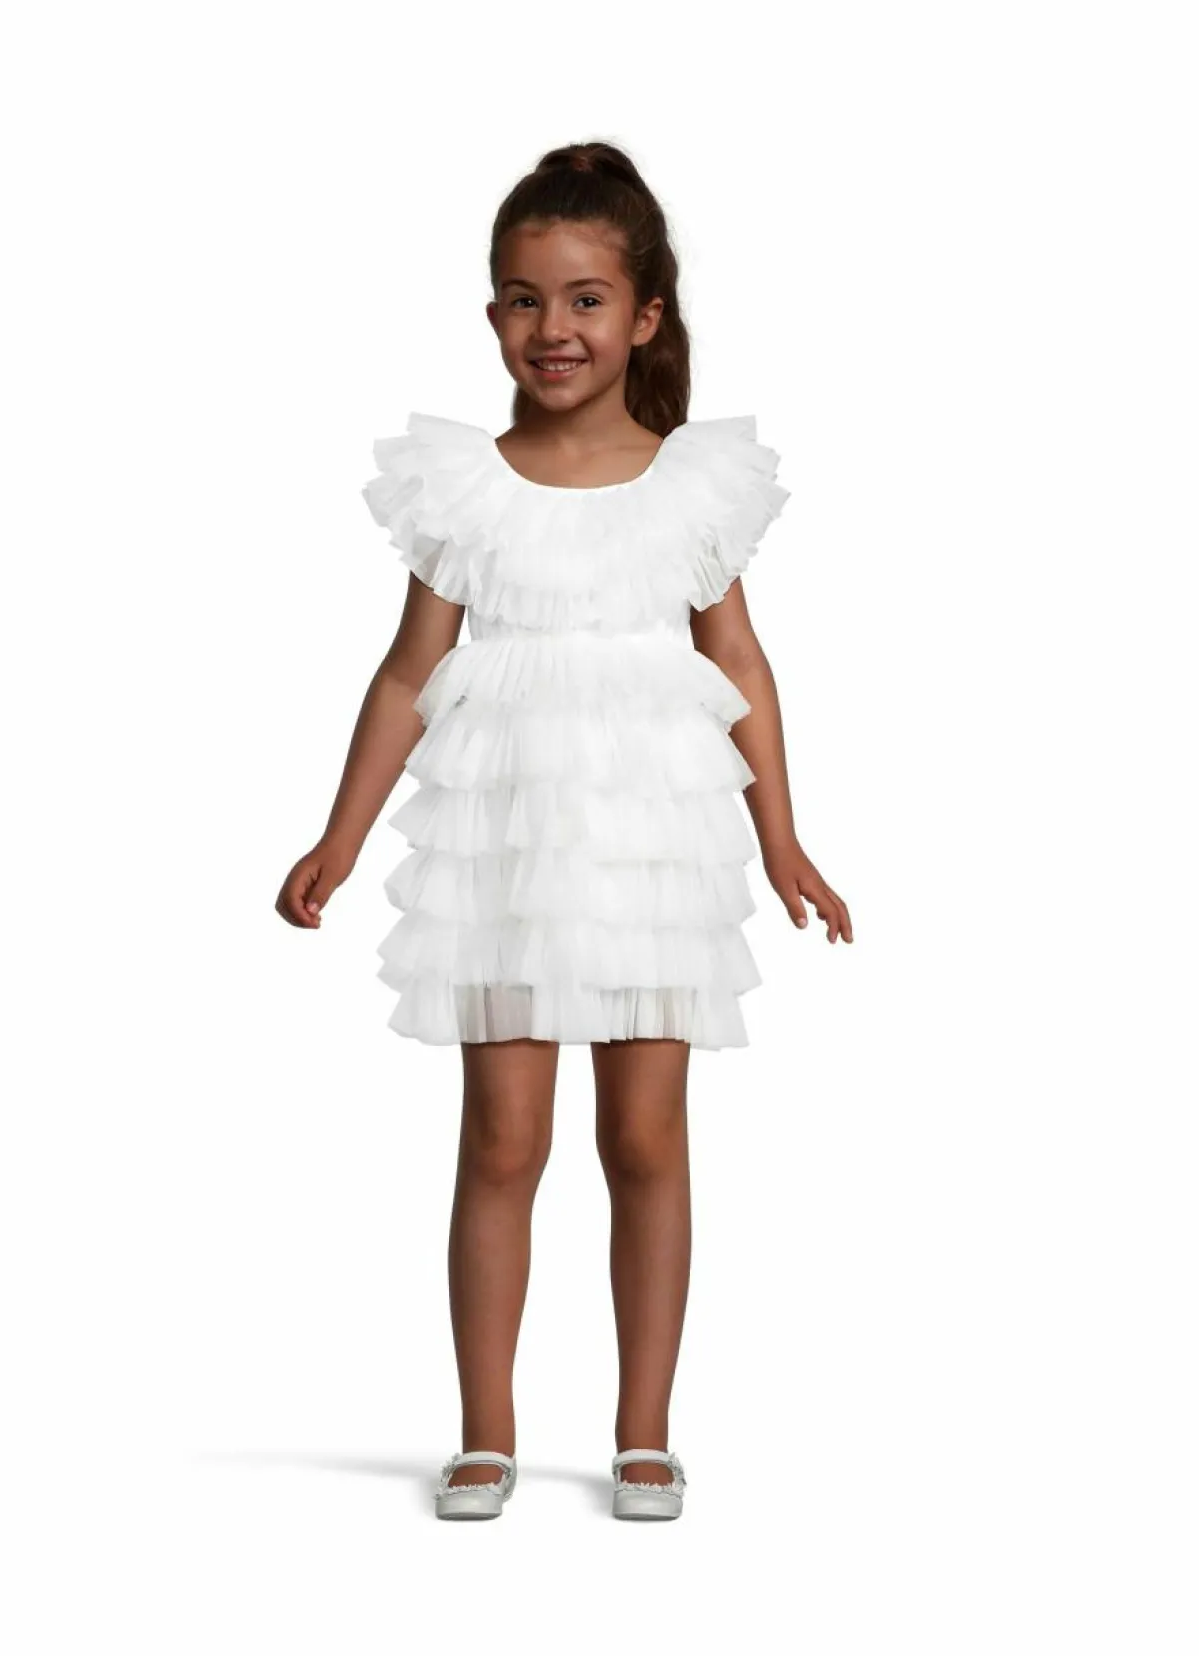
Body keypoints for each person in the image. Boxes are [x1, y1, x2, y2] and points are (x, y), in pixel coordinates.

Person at [275, 139, 853, 1522]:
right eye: (526, 299)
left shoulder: (690, 488)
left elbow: (741, 666)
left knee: (645, 1142)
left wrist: (783, 839)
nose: (555, 328)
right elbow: (409, 673)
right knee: (502, 1142)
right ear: (493, 314)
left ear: (644, 315)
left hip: (654, 847)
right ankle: (485, 1433)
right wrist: (340, 838)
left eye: (587, 299)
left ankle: (644, 1434)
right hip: (506, 845)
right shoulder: (464, 490)